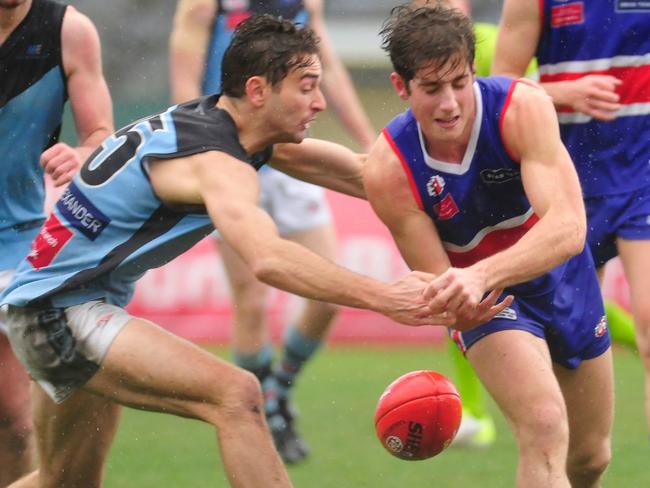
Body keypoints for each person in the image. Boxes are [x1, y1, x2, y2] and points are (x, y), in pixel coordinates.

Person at [0, 15, 482, 487]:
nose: (319, 102)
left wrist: (480, 193)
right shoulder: (217, 161)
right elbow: (268, 258)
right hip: (56, 313)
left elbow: (365, 175)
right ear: (257, 91)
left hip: (57, 304)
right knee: (237, 395)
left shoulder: (229, 127)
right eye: (307, 86)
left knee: (66, 482)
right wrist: (384, 297)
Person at [364, 4, 613, 487]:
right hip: (491, 305)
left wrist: (479, 273)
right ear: (401, 88)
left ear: (474, 72)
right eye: (431, 89)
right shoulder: (388, 169)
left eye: (459, 83)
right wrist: (461, 296)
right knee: (542, 422)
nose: (450, 103)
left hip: (564, 277)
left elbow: (567, 228)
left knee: (590, 458)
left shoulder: (521, 108)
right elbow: (446, 288)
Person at [168, 0, 376, 463]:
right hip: (226, 151)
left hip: (287, 149)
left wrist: (368, 140)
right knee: (252, 298)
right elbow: (184, 82)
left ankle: (280, 389)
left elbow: (328, 69)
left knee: (326, 293)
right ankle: (261, 415)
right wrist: (200, 151)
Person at [492, 0, 649, 434]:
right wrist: (562, 92)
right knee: (571, 344)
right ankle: (578, 465)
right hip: (566, 183)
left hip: (644, 173)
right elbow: (497, 86)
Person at [0, 0, 113, 484]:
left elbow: (100, 136)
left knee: (14, 422)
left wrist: (80, 155)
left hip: (16, 244)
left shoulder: (69, 31)